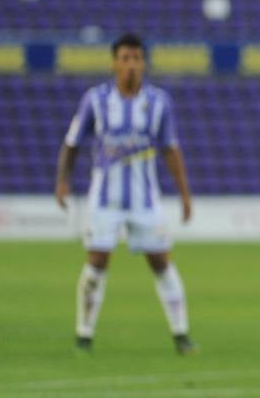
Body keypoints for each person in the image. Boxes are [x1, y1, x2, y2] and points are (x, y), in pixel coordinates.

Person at [55, 32, 197, 355]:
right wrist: (62, 181)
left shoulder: (159, 102)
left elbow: (170, 150)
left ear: (143, 63)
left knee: (161, 260)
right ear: (114, 63)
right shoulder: (96, 100)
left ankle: (181, 334)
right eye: (125, 58)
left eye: (136, 58)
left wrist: (185, 195)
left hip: (145, 199)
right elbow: (72, 142)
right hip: (105, 199)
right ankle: (84, 334)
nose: (131, 65)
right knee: (97, 260)